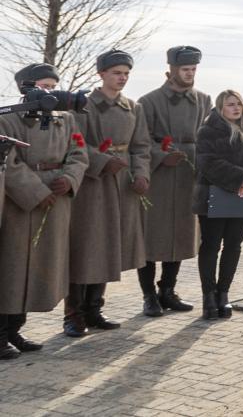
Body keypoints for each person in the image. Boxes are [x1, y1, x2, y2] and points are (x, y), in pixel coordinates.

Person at [0, 64, 88, 358]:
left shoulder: (66, 119)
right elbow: (8, 162)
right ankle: (1, 333)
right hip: (20, 205)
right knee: (13, 266)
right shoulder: (8, 119)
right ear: (26, 88)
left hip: (57, 199)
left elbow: (79, 152)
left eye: (53, 86)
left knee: (37, 267)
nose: (49, 92)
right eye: (43, 86)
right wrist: (36, 192)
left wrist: (70, 178)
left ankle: (15, 329)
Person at [67, 49, 150, 336]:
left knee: (108, 246)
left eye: (126, 73)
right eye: (117, 73)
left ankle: (95, 309)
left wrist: (141, 174)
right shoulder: (83, 106)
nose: (122, 78)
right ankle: (73, 314)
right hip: (92, 184)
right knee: (86, 246)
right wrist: (102, 161)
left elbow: (141, 146)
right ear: (101, 73)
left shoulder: (133, 108)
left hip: (122, 183)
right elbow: (75, 142)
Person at [137, 45, 211, 317]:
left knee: (180, 235)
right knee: (151, 237)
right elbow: (140, 140)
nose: (190, 74)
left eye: (193, 69)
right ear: (171, 70)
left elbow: (210, 135)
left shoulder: (204, 100)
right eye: (185, 69)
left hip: (188, 178)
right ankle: (148, 295)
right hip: (158, 177)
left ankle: (167, 291)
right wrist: (160, 155)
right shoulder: (148, 101)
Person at [193, 89, 243, 321]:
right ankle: (208, 297)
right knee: (211, 245)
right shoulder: (208, 131)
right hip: (213, 195)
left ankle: (223, 294)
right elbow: (207, 162)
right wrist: (238, 177)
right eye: (230, 104)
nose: (236, 108)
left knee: (234, 245)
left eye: (238, 103)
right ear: (220, 108)